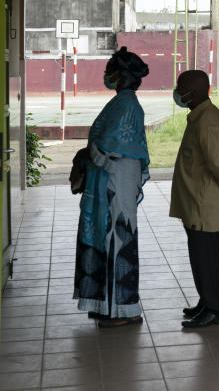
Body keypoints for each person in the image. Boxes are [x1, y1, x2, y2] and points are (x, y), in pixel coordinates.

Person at [73, 47, 150, 328]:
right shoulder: (121, 102)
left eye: (111, 70)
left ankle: (124, 310)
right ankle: (106, 305)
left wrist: (86, 153)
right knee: (108, 242)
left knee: (117, 243)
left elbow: (110, 148)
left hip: (116, 183)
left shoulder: (127, 105)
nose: (107, 75)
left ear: (121, 76)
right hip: (113, 181)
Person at [169, 69, 219, 328]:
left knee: (207, 260)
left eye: (181, 87)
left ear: (195, 92)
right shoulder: (200, 116)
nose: (177, 91)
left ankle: (216, 310)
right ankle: (206, 302)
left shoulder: (207, 121)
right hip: (196, 203)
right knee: (200, 258)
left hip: (205, 205)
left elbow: (217, 163)